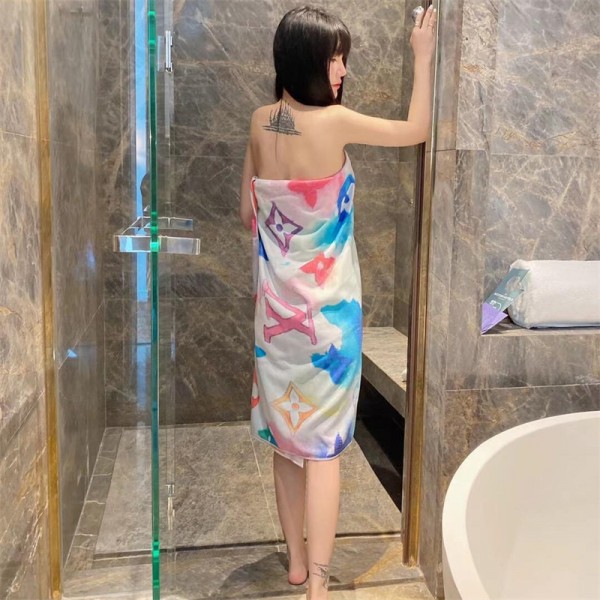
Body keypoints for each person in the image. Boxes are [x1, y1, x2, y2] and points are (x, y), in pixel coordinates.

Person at [239, 5, 436, 599]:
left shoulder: (260, 122)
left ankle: (297, 564)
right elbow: (417, 129)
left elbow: (248, 212)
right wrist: (422, 56)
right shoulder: (335, 122)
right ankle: (319, 586)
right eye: (335, 58)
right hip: (328, 318)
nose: (343, 70)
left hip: (275, 320)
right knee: (323, 450)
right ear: (308, 61)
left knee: (285, 441)